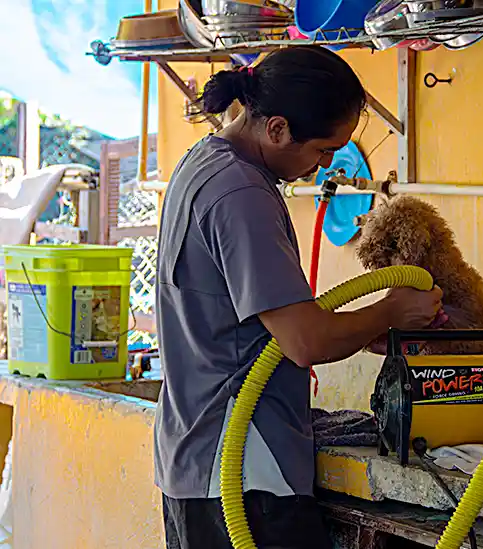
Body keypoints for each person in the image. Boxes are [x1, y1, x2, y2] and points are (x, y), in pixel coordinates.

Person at [154, 46, 443, 549]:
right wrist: (391, 310)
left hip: (197, 457)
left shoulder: (204, 162)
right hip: (243, 472)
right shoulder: (240, 194)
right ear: (277, 129)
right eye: (323, 150)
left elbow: (264, 325)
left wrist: (367, 328)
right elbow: (305, 340)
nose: (324, 165)